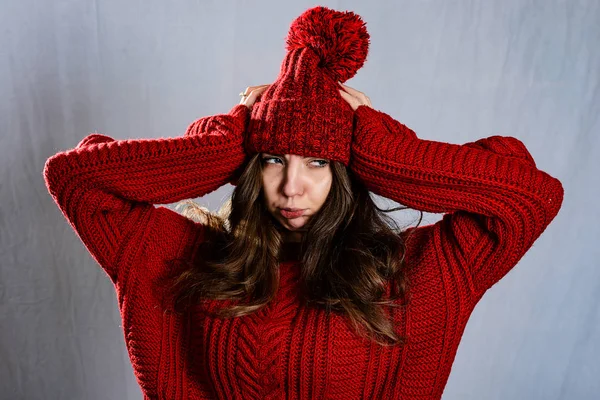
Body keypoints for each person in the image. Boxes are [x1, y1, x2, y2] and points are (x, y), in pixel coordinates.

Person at [42, 5, 564, 400]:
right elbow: (77, 178)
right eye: (273, 159)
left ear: (349, 170)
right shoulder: (187, 258)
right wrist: (223, 141)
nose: (292, 187)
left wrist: (386, 147)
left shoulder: (412, 274)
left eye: (317, 163)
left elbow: (529, 195)